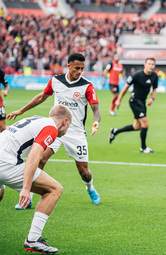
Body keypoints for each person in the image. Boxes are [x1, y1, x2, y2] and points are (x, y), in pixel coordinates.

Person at [7, 53, 102, 209]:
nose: (79, 71)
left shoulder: (87, 85)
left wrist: (96, 122)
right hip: (55, 129)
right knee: (40, 160)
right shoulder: (56, 81)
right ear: (69, 65)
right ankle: (28, 196)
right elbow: (41, 97)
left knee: (84, 171)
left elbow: (95, 108)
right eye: (77, 68)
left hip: (76, 133)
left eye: (82, 69)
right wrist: (21, 111)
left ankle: (90, 188)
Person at [0, 105, 72, 253]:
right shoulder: (51, 128)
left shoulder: (37, 119)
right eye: (68, 126)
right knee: (54, 189)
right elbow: (34, 154)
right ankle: (33, 239)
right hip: (5, 162)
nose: (66, 131)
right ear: (64, 121)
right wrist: (26, 188)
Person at [109, 57, 158, 153]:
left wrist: (152, 98)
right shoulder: (137, 75)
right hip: (135, 101)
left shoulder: (154, 76)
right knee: (145, 123)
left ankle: (115, 131)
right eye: (149, 64)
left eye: (152, 64)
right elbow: (125, 88)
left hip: (142, 102)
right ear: (145, 65)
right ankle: (143, 148)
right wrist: (118, 100)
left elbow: (155, 89)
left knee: (137, 127)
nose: (151, 66)